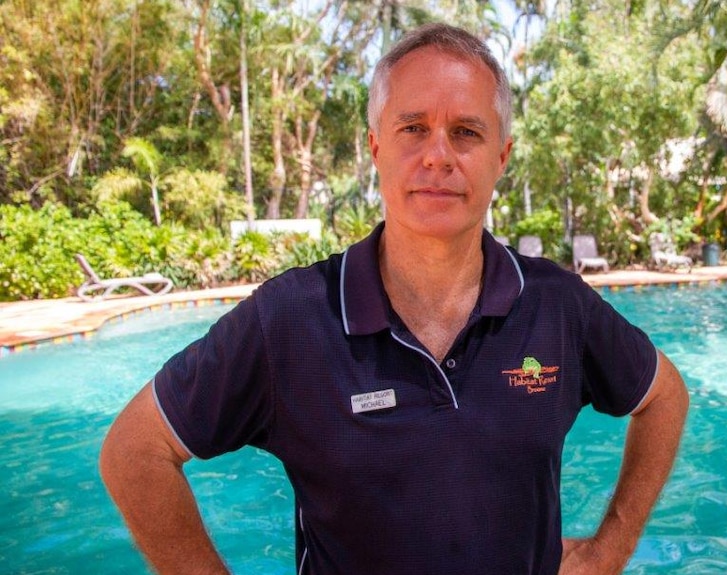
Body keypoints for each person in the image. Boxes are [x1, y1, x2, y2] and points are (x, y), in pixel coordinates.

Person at [100, 23, 689, 575]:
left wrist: (611, 548)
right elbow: (135, 450)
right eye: (413, 128)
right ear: (376, 147)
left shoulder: (558, 307)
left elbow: (664, 395)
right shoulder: (292, 319)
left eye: (466, 132)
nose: (438, 155)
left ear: (500, 156)